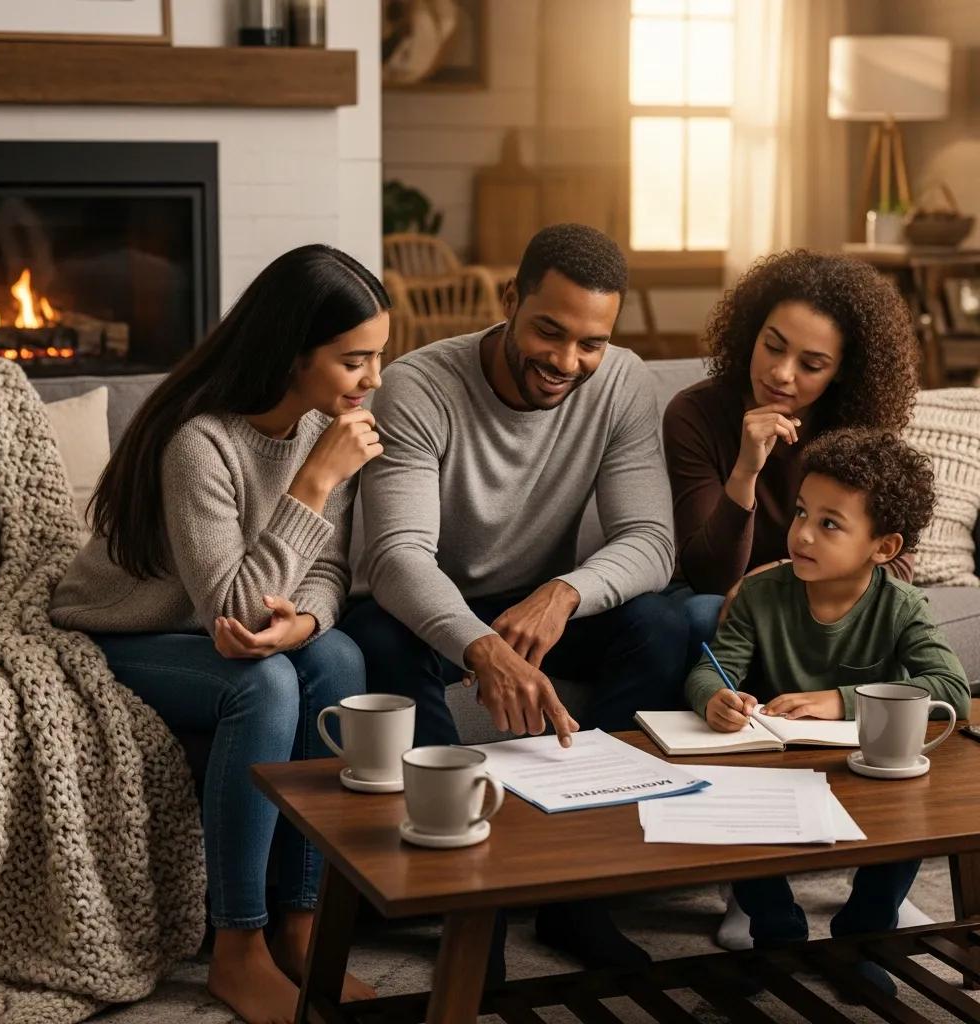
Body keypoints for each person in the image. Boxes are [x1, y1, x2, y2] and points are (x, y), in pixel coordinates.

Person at [50, 245, 389, 1024]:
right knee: (262, 682)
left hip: (221, 627)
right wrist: (315, 483)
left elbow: (330, 576)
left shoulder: (319, 426)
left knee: (340, 654)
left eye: (379, 357)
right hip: (123, 634)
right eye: (354, 360)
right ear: (292, 354)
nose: (373, 380)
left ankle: (304, 922)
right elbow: (231, 609)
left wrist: (305, 621)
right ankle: (237, 945)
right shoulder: (202, 442)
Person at [341, 223, 686, 973]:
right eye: (549, 332)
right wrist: (482, 647)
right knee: (380, 641)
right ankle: (470, 915)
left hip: (536, 597)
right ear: (509, 301)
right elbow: (395, 556)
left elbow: (652, 542)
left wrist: (565, 591)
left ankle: (579, 899)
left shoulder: (622, 382)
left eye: (590, 342)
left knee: (660, 625)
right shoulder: (420, 385)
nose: (567, 361)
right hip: (422, 600)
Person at [687, 429, 971, 997]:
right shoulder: (764, 596)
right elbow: (709, 670)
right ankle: (777, 931)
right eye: (800, 514)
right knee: (739, 804)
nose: (802, 534)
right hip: (781, 766)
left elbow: (951, 691)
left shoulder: (901, 606)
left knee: (916, 808)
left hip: (868, 767)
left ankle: (862, 937)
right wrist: (714, 698)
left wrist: (841, 699)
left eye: (829, 523)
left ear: (884, 547)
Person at [663, 249, 919, 668]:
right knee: (702, 614)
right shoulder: (695, 415)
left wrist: (782, 576)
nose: (782, 373)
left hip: (820, 596)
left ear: (840, 370)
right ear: (752, 333)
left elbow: (897, 566)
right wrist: (746, 469)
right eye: (773, 346)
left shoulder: (860, 427)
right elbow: (710, 577)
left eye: (811, 365)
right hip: (718, 598)